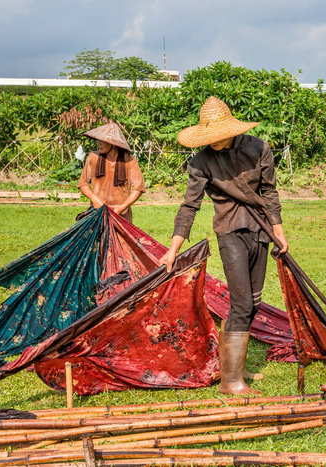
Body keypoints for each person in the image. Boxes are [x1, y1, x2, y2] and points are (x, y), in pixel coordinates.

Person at [159, 97, 288, 395]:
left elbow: (269, 192)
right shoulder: (201, 162)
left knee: (253, 302)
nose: (213, 142)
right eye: (209, 138)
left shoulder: (259, 149)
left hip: (260, 229)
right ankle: (231, 383)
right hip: (229, 232)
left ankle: (233, 367)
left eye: (218, 136)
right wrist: (174, 248)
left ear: (231, 129)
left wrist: (279, 233)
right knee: (241, 303)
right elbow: (190, 206)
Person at [78, 122, 146, 223]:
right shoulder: (93, 157)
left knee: (121, 239)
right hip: (97, 213)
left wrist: (122, 207)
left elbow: (138, 188)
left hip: (121, 215)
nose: (98, 143)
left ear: (113, 144)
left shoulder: (129, 160)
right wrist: (94, 199)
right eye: (98, 140)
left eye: (102, 141)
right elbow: (83, 184)